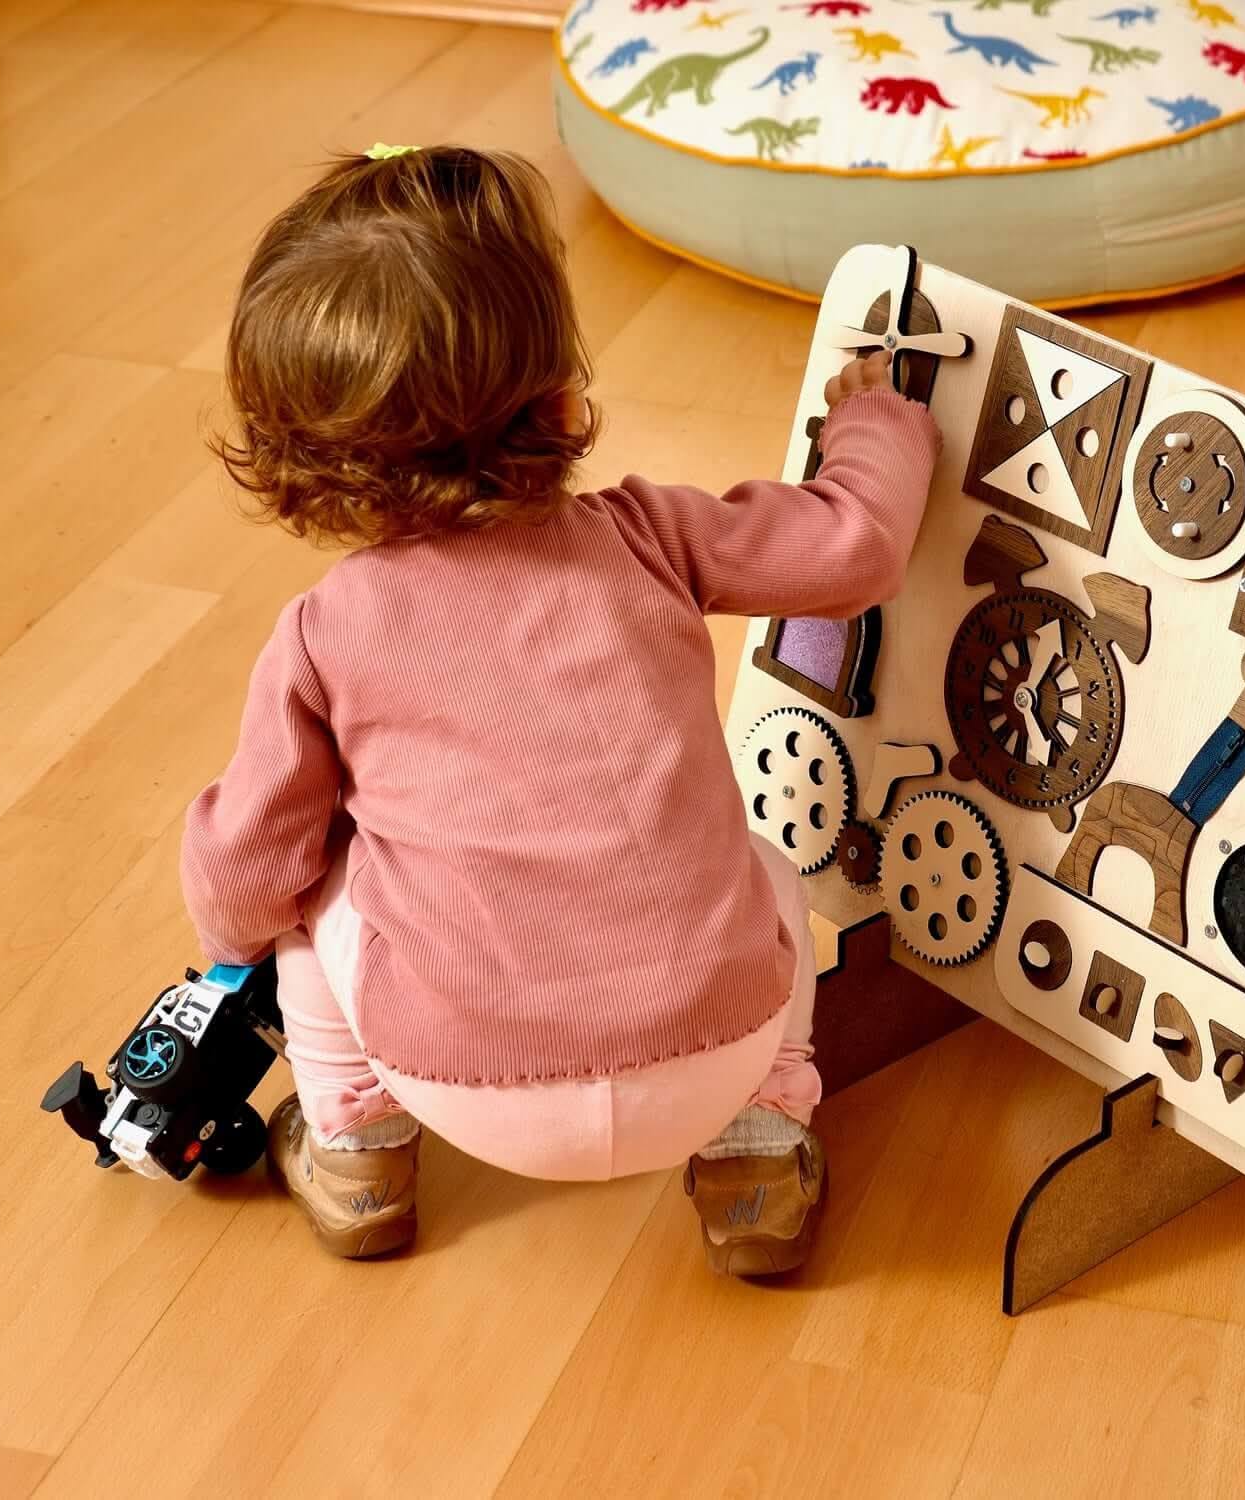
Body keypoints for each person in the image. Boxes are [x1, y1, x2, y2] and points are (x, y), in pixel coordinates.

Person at [181, 145, 939, 1270]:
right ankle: (757, 1143)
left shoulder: (327, 629)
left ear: (301, 454)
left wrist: (225, 956)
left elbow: (249, 868)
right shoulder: (650, 539)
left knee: (306, 896)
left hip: (454, 1086)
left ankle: (355, 1148)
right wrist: (876, 423)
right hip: (711, 1049)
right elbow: (856, 546)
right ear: (555, 388)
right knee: (765, 866)